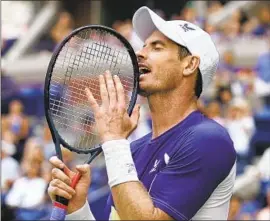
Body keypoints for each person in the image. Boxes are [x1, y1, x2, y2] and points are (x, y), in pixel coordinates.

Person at [48, 6, 236, 220]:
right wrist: (77, 209)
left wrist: (114, 140)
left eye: (156, 47)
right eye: (144, 45)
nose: (140, 53)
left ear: (190, 64)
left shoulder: (210, 140)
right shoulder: (132, 150)